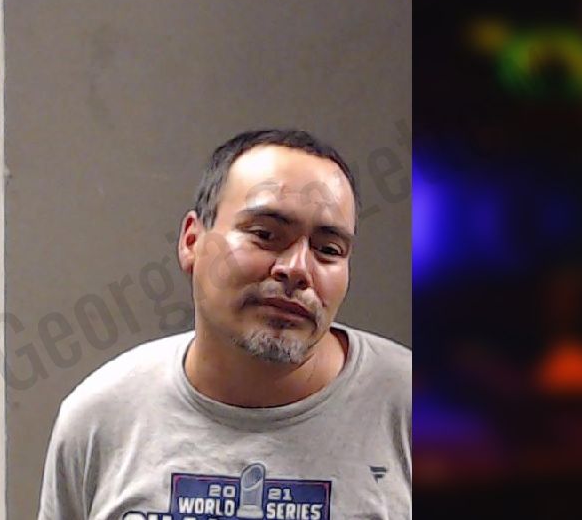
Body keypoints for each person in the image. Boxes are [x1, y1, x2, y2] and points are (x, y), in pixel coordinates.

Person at [38, 130, 411, 519]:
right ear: (192, 241)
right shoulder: (102, 417)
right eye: (265, 235)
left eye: (328, 250)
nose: (298, 269)